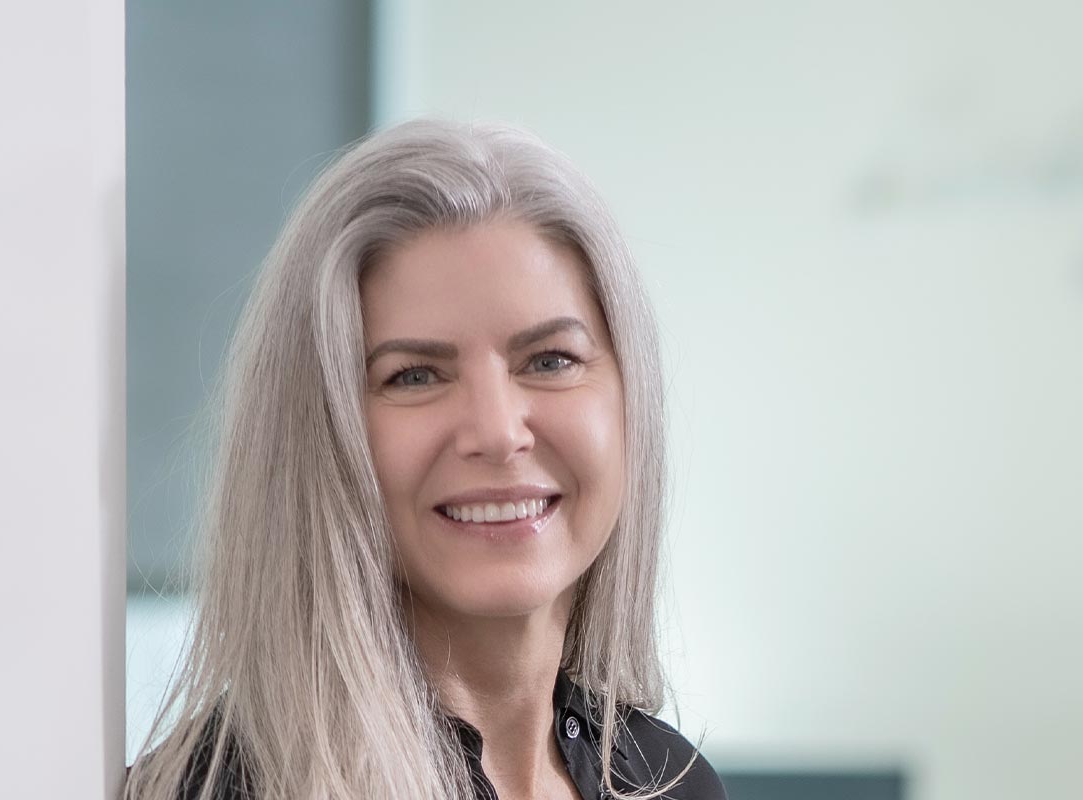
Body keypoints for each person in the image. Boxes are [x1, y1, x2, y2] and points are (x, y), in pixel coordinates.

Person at [124, 119, 726, 800]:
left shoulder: (670, 782)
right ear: (319, 428)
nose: (498, 434)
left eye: (551, 360)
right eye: (414, 375)